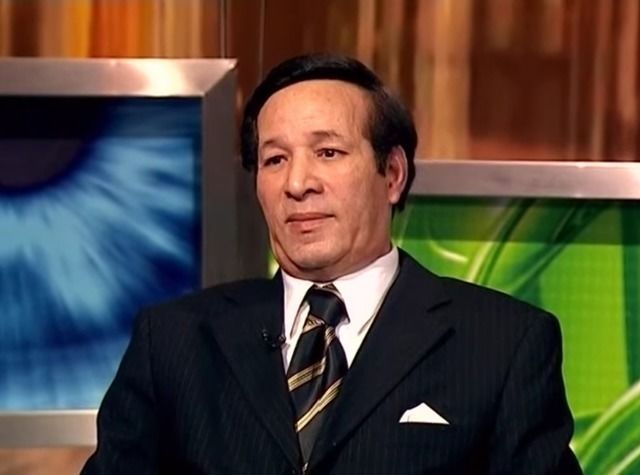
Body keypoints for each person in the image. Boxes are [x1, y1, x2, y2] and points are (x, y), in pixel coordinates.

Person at [82, 54, 582, 474]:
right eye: (275, 160)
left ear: (392, 173)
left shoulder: (502, 343)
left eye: (327, 152)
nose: (298, 183)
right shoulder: (175, 342)